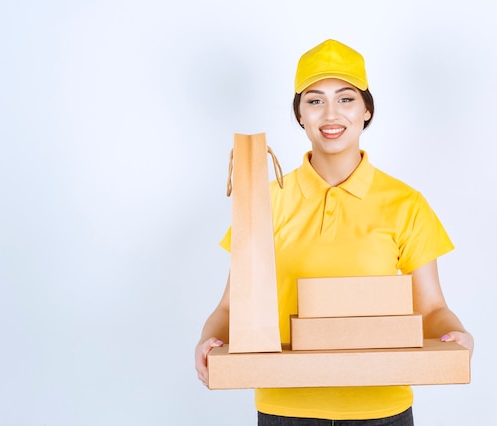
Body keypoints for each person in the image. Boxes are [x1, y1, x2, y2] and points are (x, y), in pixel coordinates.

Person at [195, 39, 474, 426]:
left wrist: (456, 336)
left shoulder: (405, 203)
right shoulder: (266, 199)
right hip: (285, 408)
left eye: (345, 99)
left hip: (383, 410)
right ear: (299, 115)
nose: (330, 114)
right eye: (314, 100)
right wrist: (208, 340)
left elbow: (431, 309)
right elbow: (230, 307)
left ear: (366, 110)